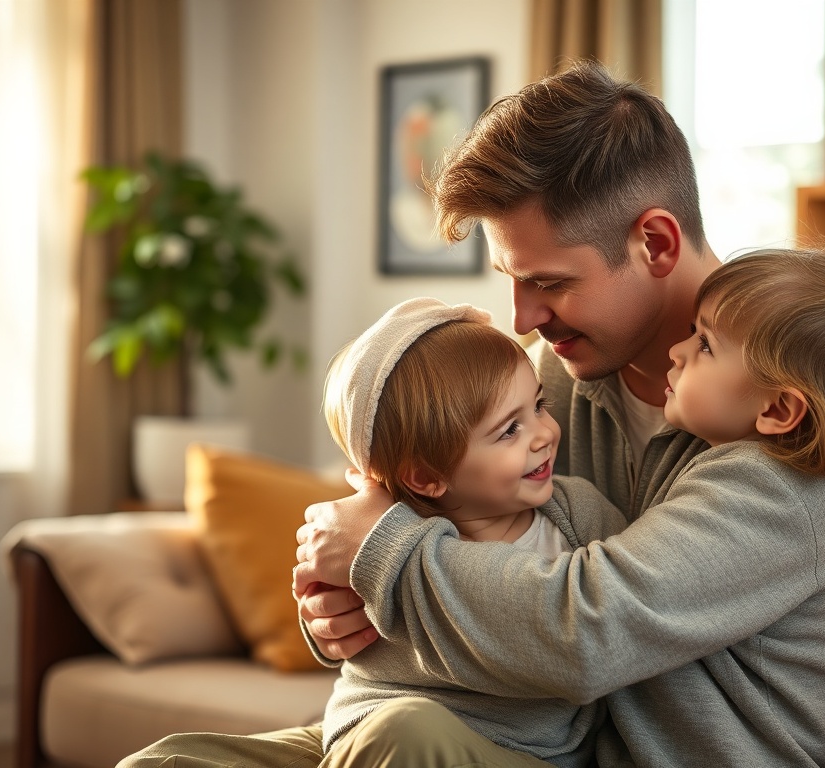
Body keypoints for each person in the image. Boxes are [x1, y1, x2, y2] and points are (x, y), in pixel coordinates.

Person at [292, 61, 825, 767]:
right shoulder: (557, 384)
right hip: (520, 733)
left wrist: (379, 555)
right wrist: (343, 604)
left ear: (654, 243)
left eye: (549, 283)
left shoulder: (808, 455)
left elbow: (585, 631)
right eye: (513, 281)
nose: (524, 319)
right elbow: (439, 529)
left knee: (399, 745)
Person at [119, 296, 627, 768]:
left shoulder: (574, 514)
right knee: (161, 761)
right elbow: (332, 627)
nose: (543, 433)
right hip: (357, 736)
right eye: (509, 430)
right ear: (426, 476)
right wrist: (320, 625)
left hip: (516, 753)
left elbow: (615, 619)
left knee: (406, 733)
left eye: (538, 406)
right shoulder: (369, 532)